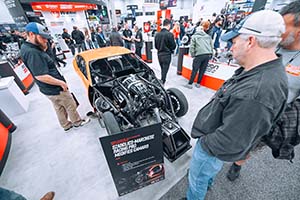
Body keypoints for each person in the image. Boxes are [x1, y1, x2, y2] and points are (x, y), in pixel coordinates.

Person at [186, 10, 288, 200]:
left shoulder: (256, 92)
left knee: (197, 179)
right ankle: (206, 183)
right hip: (216, 140)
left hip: (211, 147)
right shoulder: (259, 71)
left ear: (250, 41)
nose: (230, 48)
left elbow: (229, 141)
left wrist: (204, 143)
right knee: (206, 175)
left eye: (233, 42)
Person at [227, 0, 300, 182]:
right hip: (242, 105)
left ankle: (237, 164)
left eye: (284, 26)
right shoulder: (271, 43)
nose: (277, 31)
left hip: (270, 119)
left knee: (247, 146)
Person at [20, 22, 90, 132]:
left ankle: (66, 125)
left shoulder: (29, 48)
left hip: (47, 89)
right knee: (70, 104)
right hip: (55, 88)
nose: (46, 40)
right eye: (43, 38)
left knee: (58, 107)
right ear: (32, 34)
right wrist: (61, 83)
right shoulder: (32, 52)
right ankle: (77, 122)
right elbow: (41, 76)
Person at [184, 22, 213, 89]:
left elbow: (192, 47)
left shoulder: (194, 37)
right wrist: (211, 54)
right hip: (207, 54)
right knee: (202, 70)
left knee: (195, 70)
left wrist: (193, 55)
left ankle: (190, 84)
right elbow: (211, 46)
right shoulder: (208, 37)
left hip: (199, 55)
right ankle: (198, 83)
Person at [154, 19, 176, 85]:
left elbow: (156, 46)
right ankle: (162, 83)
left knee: (162, 69)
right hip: (167, 55)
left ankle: (162, 81)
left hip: (159, 54)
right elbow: (173, 46)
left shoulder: (157, 34)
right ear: (169, 25)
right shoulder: (170, 34)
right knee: (165, 70)